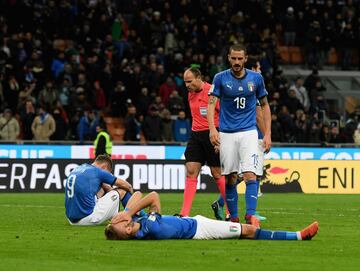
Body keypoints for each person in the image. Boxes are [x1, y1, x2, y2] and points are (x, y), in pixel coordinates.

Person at [207, 44, 271, 227]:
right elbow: (211, 104)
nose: (236, 62)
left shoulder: (256, 78)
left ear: (245, 58)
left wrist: (267, 134)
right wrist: (213, 129)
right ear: (228, 58)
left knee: (251, 174)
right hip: (226, 134)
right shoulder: (220, 78)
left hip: (249, 132)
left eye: (239, 59)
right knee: (230, 177)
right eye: (233, 58)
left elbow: (265, 105)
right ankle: (233, 218)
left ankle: (250, 216)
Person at [104, 191, 319, 241]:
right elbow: (152, 196)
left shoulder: (140, 223)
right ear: (127, 231)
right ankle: (299, 236)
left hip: (196, 221)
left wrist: (124, 215)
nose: (125, 223)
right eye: (123, 227)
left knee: (248, 229)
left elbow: (138, 194)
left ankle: (250, 221)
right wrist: (127, 213)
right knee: (250, 232)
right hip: (200, 230)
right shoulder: (150, 228)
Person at [179, 67, 227, 217]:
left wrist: (221, 136)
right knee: (191, 170)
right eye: (185, 82)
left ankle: (230, 212)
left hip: (213, 134)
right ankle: (184, 214)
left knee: (217, 173)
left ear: (199, 78)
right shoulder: (190, 94)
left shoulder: (212, 92)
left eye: (189, 81)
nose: (186, 85)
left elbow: (224, 113)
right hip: (196, 135)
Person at [65, 155, 133, 226]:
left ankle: (114, 215)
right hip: (87, 218)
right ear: (104, 167)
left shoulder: (79, 168)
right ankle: (135, 216)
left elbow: (106, 188)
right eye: (108, 173)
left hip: (71, 220)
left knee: (102, 188)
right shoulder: (98, 172)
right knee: (122, 191)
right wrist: (131, 195)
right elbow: (128, 186)